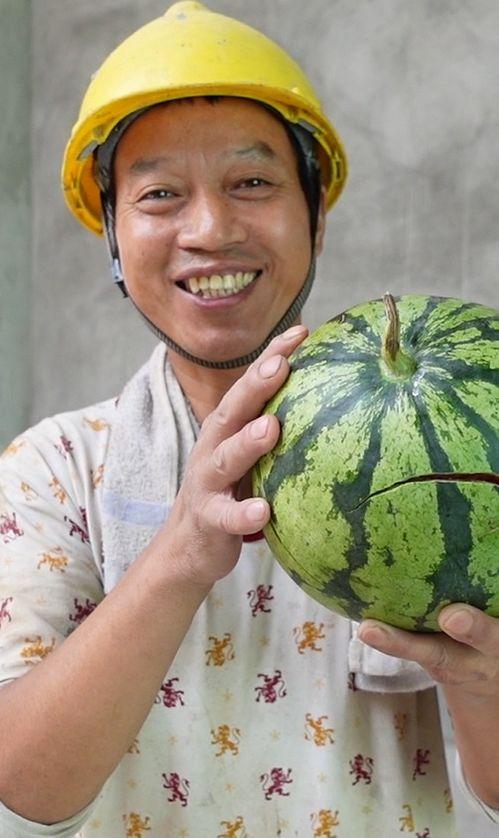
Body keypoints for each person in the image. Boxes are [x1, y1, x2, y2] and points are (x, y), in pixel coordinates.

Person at [0, 3, 498, 836]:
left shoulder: (453, 451)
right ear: (113, 238)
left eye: (252, 183)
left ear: (316, 215)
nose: (210, 229)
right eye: (160, 194)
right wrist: (182, 554)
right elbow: (24, 787)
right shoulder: (52, 470)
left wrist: (484, 682)